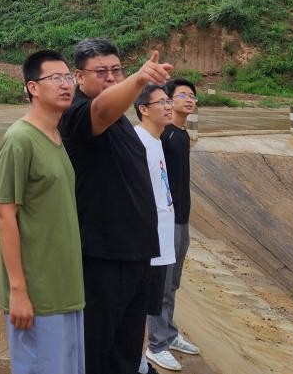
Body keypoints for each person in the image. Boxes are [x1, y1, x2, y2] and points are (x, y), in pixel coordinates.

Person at [59, 38, 172, 374]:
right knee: (97, 348)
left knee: (127, 346)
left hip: (135, 254)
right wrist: (138, 79)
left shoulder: (121, 119)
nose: (111, 77)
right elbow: (101, 110)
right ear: (79, 77)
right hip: (104, 257)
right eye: (101, 72)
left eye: (116, 70)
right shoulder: (77, 113)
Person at [0, 49, 85, 374]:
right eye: (55, 78)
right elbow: (5, 215)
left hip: (65, 288)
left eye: (68, 77)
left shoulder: (56, 137)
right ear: (33, 87)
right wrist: (18, 291)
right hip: (38, 293)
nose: (66, 84)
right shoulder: (19, 139)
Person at [145, 79, 201, 371]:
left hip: (182, 219)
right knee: (162, 284)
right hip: (166, 221)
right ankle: (157, 345)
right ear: (168, 100)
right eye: (181, 95)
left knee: (173, 283)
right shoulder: (164, 135)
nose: (188, 100)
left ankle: (169, 332)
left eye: (192, 96)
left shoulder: (181, 134)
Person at [132, 85, 176, 374]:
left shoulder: (156, 140)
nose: (168, 106)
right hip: (148, 242)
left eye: (169, 100)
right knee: (137, 307)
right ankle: (136, 361)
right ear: (143, 109)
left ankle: (139, 358)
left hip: (162, 238)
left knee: (151, 303)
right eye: (162, 102)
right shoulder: (139, 141)